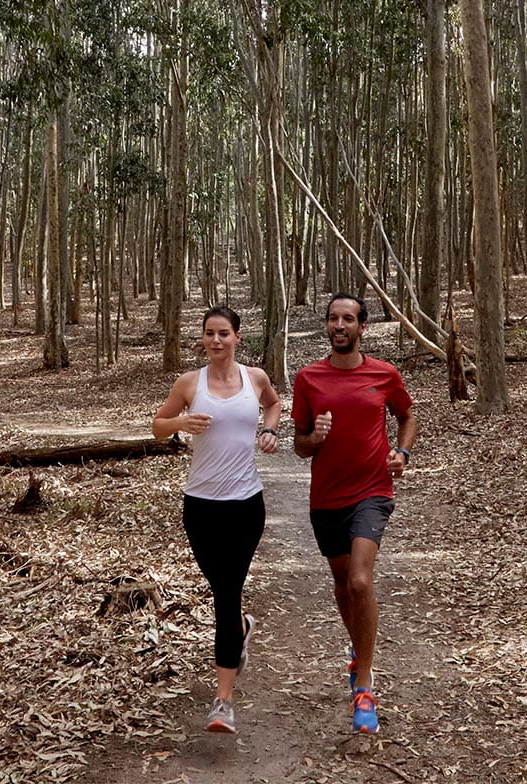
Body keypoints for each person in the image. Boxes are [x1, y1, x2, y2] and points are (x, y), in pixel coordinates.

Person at [151, 305, 283, 734]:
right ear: (203, 338)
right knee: (222, 591)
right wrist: (180, 422)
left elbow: (275, 404)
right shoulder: (190, 383)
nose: (216, 340)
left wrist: (269, 430)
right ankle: (241, 627)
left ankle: (223, 702)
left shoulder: (255, 378)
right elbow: (157, 426)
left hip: (246, 504)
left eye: (224, 333)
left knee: (226, 594)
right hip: (200, 506)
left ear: (237, 338)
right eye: (209, 333)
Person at [291, 293, 416, 735]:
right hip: (326, 497)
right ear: (327, 327)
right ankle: (357, 651)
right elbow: (299, 444)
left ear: (362, 327)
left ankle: (364, 684)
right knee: (343, 585)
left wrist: (401, 451)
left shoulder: (383, 374)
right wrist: (315, 438)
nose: (339, 325)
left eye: (348, 319)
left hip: (373, 491)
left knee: (361, 580)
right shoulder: (309, 378)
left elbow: (407, 416)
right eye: (333, 319)